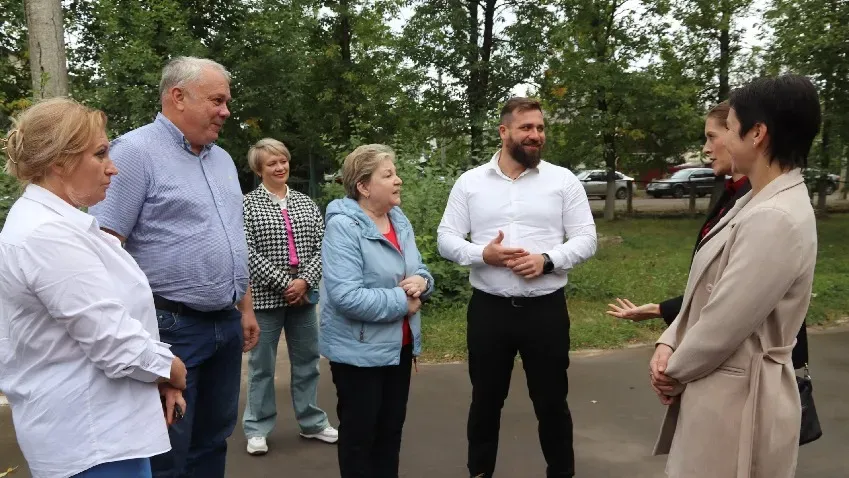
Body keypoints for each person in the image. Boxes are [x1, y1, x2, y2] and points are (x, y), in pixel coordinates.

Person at [89, 56, 260, 478]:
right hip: (170, 328)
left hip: (225, 325)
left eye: (227, 102)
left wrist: (246, 308)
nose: (226, 112)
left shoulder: (220, 159)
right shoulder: (134, 152)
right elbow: (106, 250)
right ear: (177, 97)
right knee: (167, 448)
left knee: (214, 439)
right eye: (217, 101)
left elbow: (232, 239)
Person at [0, 97, 187, 478]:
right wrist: (172, 369)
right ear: (59, 161)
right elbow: (111, 340)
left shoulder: (60, 224)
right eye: (100, 154)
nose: (112, 168)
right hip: (91, 441)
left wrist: (158, 372)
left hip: (106, 430)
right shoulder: (47, 234)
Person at [649, 74, 821, 478]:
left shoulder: (775, 217)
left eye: (728, 126)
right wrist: (667, 339)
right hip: (721, 388)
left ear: (757, 133)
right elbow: (703, 290)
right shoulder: (754, 199)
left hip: (739, 401)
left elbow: (723, 324)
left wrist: (670, 372)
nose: (720, 138)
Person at [437, 97, 597, 478]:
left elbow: (587, 238)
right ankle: (480, 472)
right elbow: (446, 238)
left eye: (540, 128)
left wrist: (547, 260)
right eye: (526, 128)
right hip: (490, 311)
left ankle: (561, 473)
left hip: (545, 310)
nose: (536, 135)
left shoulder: (563, 180)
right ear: (504, 131)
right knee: (486, 402)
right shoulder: (470, 183)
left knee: (552, 403)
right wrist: (482, 254)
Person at [605, 101, 809, 369]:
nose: (706, 149)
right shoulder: (737, 193)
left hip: (752, 373)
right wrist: (663, 316)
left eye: (712, 136)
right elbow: (717, 283)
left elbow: (734, 308)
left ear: (746, 135)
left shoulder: (766, 208)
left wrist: (676, 370)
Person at [320, 144, 434, 478]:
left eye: (395, 173)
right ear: (364, 186)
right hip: (358, 352)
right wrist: (403, 301)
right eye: (388, 175)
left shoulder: (399, 221)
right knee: (359, 439)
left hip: (400, 347)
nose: (398, 180)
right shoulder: (343, 227)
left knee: (390, 434)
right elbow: (345, 296)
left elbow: (419, 269)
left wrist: (422, 283)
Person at [241, 138, 338, 455]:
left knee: (308, 361)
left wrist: (305, 281)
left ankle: (311, 422)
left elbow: (323, 246)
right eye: (272, 163)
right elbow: (247, 252)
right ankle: (257, 427)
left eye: (282, 160)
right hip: (267, 301)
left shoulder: (306, 202)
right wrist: (285, 282)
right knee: (262, 368)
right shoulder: (247, 205)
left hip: (305, 299)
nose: (280, 167)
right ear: (259, 169)